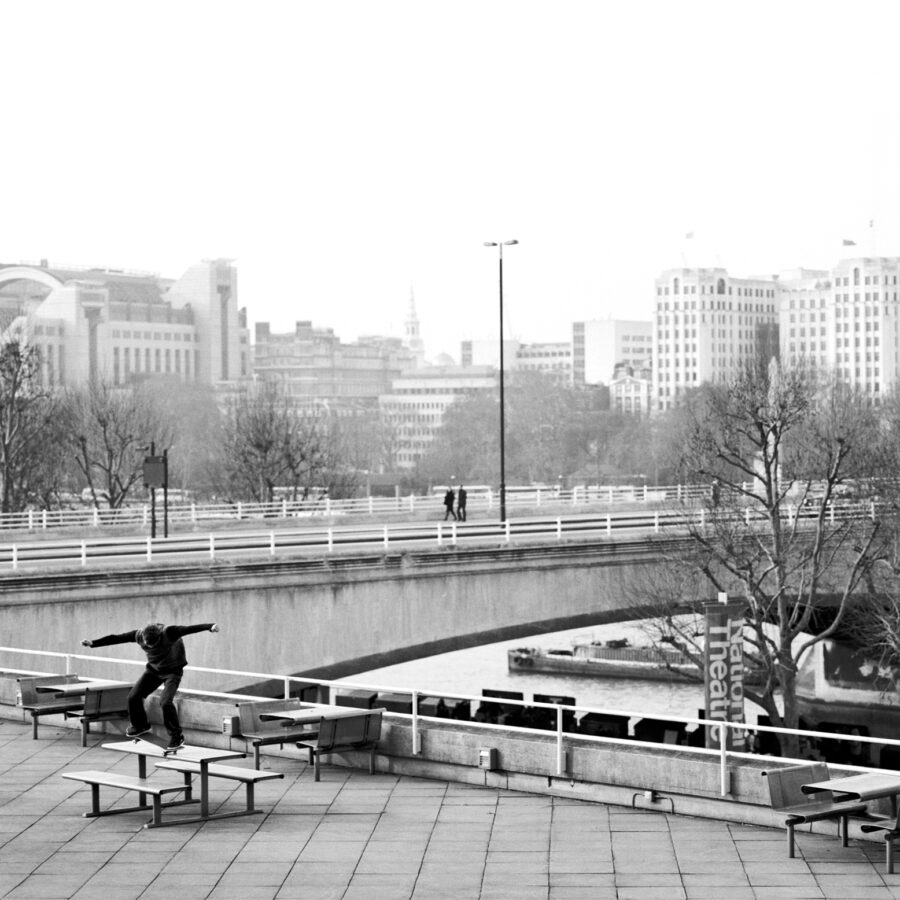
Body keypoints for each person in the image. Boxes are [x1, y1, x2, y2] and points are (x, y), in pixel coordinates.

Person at [81, 621, 219, 750]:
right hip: (153, 671)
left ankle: (177, 736)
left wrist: (210, 626)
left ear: (159, 638)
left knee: (165, 702)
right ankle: (141, 726)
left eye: (153, 645)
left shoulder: (169, 632)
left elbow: (190, 629)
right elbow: (117, 638)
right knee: (133, 697)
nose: (150, 647)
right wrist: (93, 643)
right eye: (148, 645)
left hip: (173, 672)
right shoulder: (139, 635)